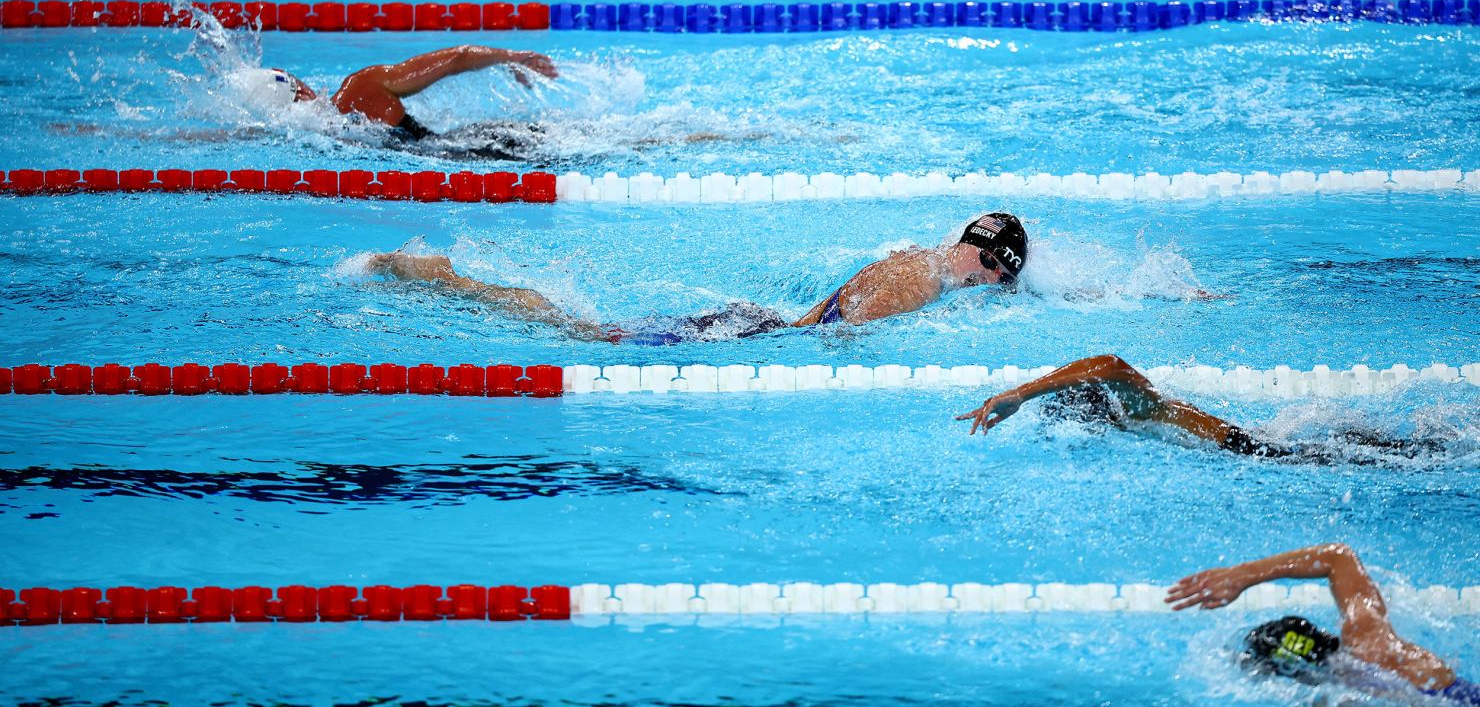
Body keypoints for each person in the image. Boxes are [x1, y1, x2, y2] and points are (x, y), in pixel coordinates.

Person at [367, 212, 1028, 343]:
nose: (990, 273)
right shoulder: (923, 274)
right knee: (589, 336)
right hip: (757, 334)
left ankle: (449, 279)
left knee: (592, 332)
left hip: (761, 327)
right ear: (965, 241)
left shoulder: (925, 264)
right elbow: (844, 330)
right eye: (988, 256)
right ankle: (449, 279)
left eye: (1003, 273)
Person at [953, 354, 1438, 460]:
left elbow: (1108, 362)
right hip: (1249, 443)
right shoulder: (1139, 420)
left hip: (1252, 449)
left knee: (1404, 457)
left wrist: (1022, 392)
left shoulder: (1139, 411)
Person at [1165, 543, 1477, 703]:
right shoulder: (1364, 646)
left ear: (1297, 674)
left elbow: (1338, 556)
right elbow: (1336, 558)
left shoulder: (1372, 649)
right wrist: (1243, 575)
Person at [227, 45, 559, 159]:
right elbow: (457, 58)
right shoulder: (360, 89)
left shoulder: (303, 141)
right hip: (475, 145)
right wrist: (513, 57)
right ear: (298, 89)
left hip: (456, 162)